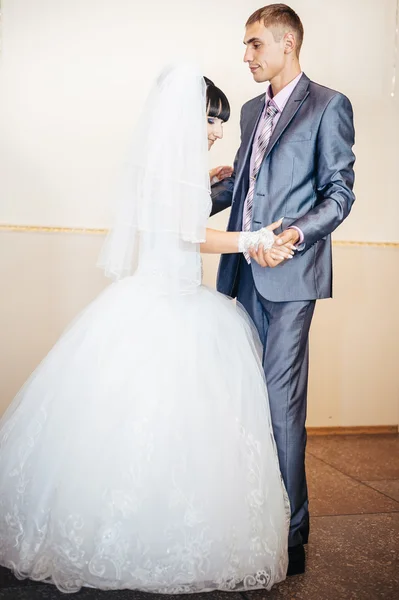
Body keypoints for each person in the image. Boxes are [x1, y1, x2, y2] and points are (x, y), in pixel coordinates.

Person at [0, 64, 292, 594]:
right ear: (183, 118)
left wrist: (206, 183)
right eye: (210, 119)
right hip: (167, 301)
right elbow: (189, 234)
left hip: (170, 297)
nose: (216, 131)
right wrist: (251, 238)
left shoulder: (164, 171)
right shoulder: (172, 174)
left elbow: (168, 214)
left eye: (219, 122)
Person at [211, 4, 356, 576]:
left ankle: (291, 533)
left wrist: (293, 235)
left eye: (253, 46)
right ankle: (249, 517)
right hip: (241, 271)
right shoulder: (250, 110)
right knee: (241, 401)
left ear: (287, 43)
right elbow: (245, 188)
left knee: (280, 402)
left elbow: (339, 194)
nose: (245, 56)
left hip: (291, 277)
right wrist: (189, 194)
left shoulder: (328, 105)